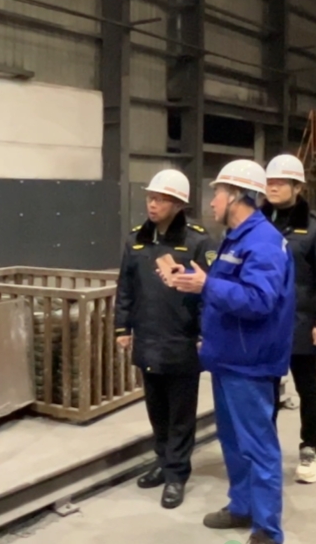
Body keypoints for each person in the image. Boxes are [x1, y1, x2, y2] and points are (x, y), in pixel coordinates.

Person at [169, 159, 294, 544]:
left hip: (250, 364)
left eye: (218, 193)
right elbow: (227, 293)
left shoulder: (263, 241)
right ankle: (242, 506)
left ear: (237, 195)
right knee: (235, 444)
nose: (211, 202)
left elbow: (259, 300)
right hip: (229, 359)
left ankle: (267, 530)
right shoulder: (237, 237)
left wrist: (206, 285)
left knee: (258, 448)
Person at [114, 169, 213, 510]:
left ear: (178, 204)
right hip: (148, 338)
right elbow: (126, 287)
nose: (152, 204)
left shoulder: (197, 242)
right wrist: (123, 328)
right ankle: (162, 461)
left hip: (182, 340)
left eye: (160, 199)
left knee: (181, 414)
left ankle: (176, 475)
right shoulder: (136, 240)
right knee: (156, 409)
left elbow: (209, 294)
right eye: (150, 198)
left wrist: (204, 333)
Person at [261, 154, 316, 485]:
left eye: (281, 182)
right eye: (269, 182)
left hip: (300, 323)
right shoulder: (257, 222)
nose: (273, 187)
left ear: (297, 187)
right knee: (265, 387)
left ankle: (310, 447)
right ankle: (265, 447)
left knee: (307, 385)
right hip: (264, 322)